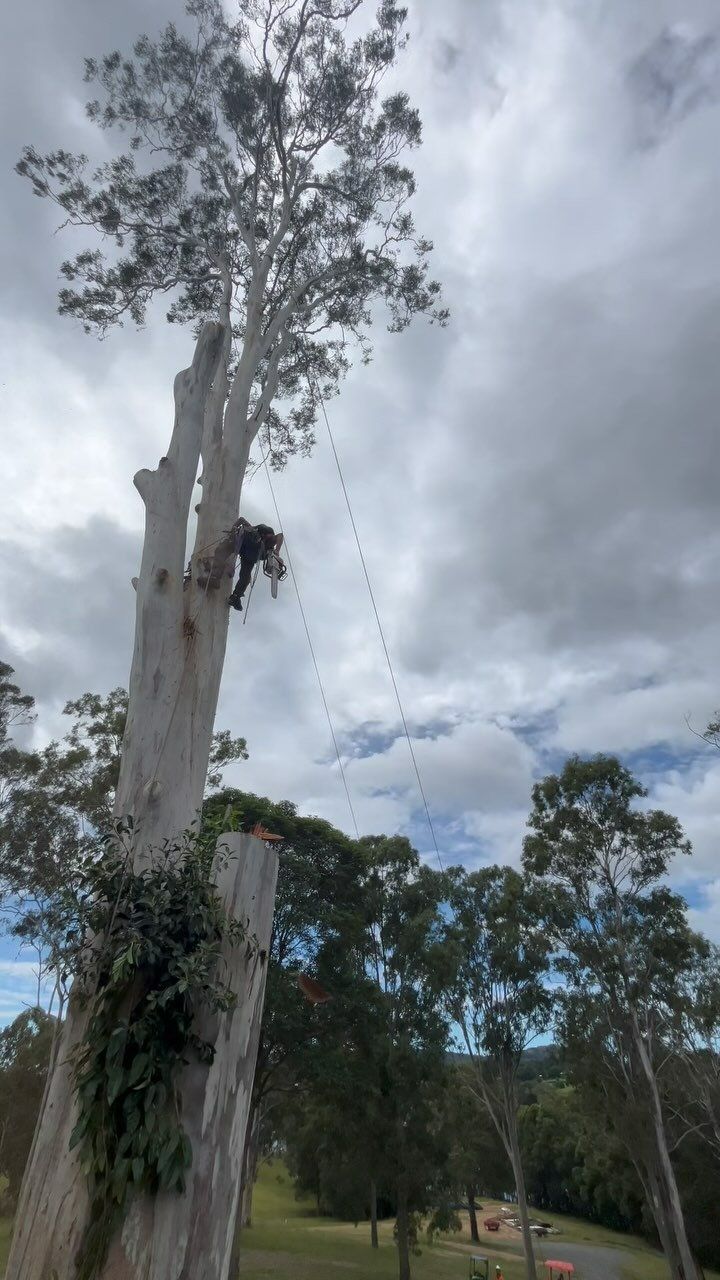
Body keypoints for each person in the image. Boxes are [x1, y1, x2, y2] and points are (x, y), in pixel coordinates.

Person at [228, 518, 284, 611]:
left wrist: (233, 529)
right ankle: (215, 571)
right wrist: (277, 550)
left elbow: (241, 520)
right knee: (245, 577)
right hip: (245, 546)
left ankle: (235, 597)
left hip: (246, 555)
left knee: (246, 578)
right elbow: (280, 535)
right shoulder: (263, 536)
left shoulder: (266, 552)